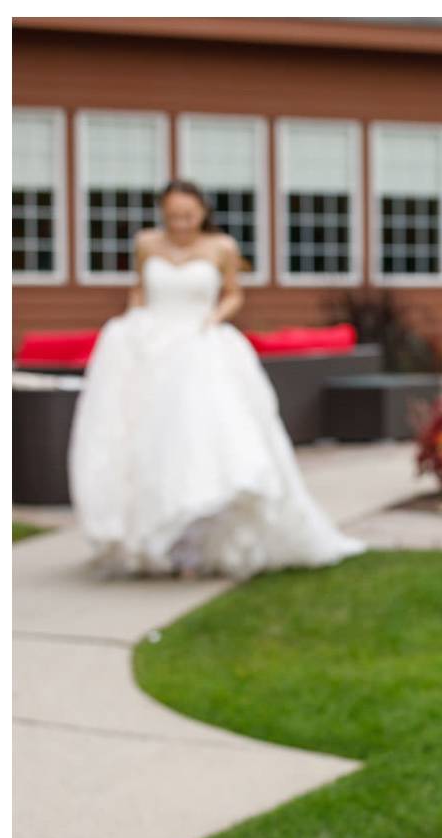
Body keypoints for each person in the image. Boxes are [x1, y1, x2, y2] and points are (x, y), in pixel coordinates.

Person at [67, 179, 367, 581]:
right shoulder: (146, 244)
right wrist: (132, 324)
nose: (181, 224)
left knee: (201, 445)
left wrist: (214, 318)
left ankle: (194, 543)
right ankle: (152, 540)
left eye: (188, 216)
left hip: (199, 347)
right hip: (148, 351)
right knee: (142, 445)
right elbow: (139, 290)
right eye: (173, 216)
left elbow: (233, 294)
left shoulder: (221, 248)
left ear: (202, 213)